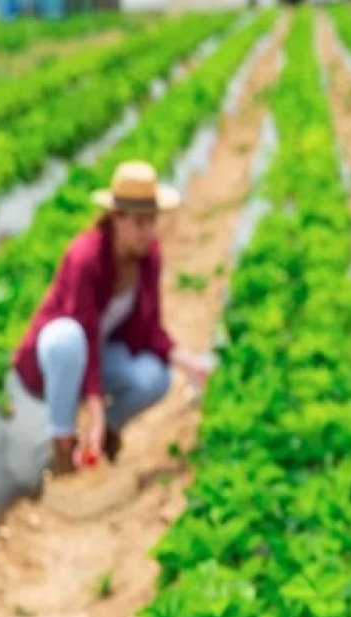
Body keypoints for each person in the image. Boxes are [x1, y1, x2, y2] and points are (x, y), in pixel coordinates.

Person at [12, 160, 214, 475]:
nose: (148, 231)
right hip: (57, 361)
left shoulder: (148, 257)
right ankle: (63, 448)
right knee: (67, 339)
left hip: (97, 354)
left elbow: (149, 329)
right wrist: (94, 407)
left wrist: (188, 361)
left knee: (155, 376)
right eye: (139, 222)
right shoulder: (86, 259)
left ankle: (105, 438)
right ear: (116, 218)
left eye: (152, 221)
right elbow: (84, 332)